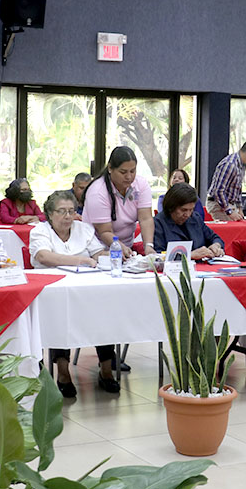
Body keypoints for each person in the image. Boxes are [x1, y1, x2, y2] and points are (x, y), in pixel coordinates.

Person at [81, 146, 156, 393]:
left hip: (124, 246)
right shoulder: (97, 191)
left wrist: (149, 247)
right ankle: (106, 359)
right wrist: (117, 246)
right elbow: (103, 232)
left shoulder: (141, 185)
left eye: (133, 171)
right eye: (123, 172)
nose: (129, 176)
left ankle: (112, 355)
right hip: (94, 247)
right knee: (105, 302)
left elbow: (145, 218)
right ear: (110, 169)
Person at [28, 191, 106, 398]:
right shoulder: (39, 231)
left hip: (86, 288)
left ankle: (107, 366)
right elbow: (44, 257)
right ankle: (62, 369)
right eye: (61, 211)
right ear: (49, 214)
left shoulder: (83, 229)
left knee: (105, 309)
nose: (68, 216)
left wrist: (116, 253)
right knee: (59, 318)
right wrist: (81, 260)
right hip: (50, 291)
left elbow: (98, 254)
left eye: (71, 211)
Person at [154, 182, 226, 259]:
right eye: (183, 210)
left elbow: (215, 238)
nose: (188, 214)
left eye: (191, 210)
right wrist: (189, 255)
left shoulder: (195, 218)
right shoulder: (158, 224)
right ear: (171, 207)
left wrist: (216, 246)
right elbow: (158, 256)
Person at [206, 140, 246, 221]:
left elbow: (237, 188)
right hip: (219, 204)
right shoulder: (230, 164)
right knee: (229, 231)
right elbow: (218, 191)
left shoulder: (242, 165)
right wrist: (229, 212)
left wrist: (239, 208)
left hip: (230, 204)